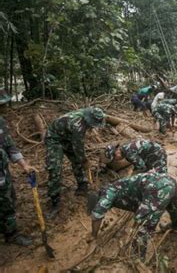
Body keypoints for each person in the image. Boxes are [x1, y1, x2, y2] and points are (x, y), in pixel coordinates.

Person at [89, 170, 177, 261]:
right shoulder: (119, 185)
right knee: (173, 207)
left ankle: (137, 259)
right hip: (170, 181)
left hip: (157, 189)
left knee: (142, 225)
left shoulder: (108, 193)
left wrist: (94, 235)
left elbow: (97, 213)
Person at [44, 107, 106, 218]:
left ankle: (82, 186)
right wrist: (85, 161)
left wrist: (81, 160)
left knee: (77, 161)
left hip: (67, 137)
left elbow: (78, 147)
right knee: (55, 169)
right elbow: (78, 148)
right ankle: (55, 201)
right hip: (54, 138)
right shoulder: (77, 125)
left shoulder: (86, 117)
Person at [0, 90, 36, 246]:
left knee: (8, 200)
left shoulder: (0, 122)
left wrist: (24, 165)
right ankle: (10, 234)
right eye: (2, 105)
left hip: (2, 172)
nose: (6, 108)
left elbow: (10, 146)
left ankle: (9, 232)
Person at [103, 140, 167, 173]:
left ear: (117, 152)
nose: (116, 160)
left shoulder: (128, 153)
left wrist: (134, 176)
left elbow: (142, 166)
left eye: (114, 157)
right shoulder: (125, 149)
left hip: (157, 153)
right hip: (150, 155)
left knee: (162, 176)